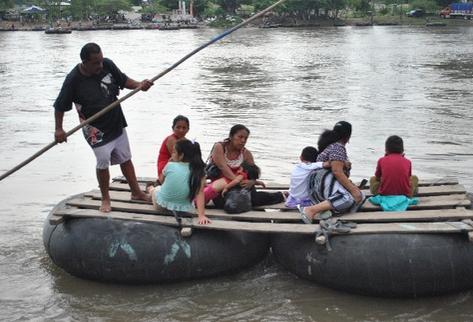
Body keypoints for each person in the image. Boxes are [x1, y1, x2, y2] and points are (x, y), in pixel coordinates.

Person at [53, 42, 154, 213]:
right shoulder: (73, 79)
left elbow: (123, 80)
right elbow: (60, 106)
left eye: (100, 60)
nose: (100, 65)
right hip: (95, 129)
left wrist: (139, 85)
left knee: (125, 157)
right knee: (103, 162)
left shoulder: (107, 64)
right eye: (95, 63)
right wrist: (59, 129)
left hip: (115, 120)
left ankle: (136, 192)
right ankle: (105, 198)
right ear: (84, 62)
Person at [298, 121, 365, 223]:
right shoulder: (338, 147)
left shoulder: (327, 145)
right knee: (347, 198)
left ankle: (327, 210)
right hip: (323, 181)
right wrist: (353, 189)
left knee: (361, 196)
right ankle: (311, 210)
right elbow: (337, 171)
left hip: (315, 188)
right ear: (348, 137)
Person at [208, 124, 285, 208]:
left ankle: (281, 195)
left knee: (253, 199)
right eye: (240, 137)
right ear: (231, 136)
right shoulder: (219, 147)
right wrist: (237, 181)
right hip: (221, 187)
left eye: (245, 138)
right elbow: (223, 167)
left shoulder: (246, 154)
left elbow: (253, 172)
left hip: (241, 186)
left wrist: (251, 182)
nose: (243, 140)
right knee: (222, 203)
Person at [148, 139, 210, 225]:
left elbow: (161, 181)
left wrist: (169, 164)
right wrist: (201, 215)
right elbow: (200, 193)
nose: (172, 154)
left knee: (156, 189)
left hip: (161, 206)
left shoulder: (170, 165)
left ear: (181, 155)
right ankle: (152, 189)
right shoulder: (199, 172)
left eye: (174, 152)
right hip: (184, 209)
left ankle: (150, 189)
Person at [368, 135, 419, 211]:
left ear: (386, 150)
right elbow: (408, 178)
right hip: (405, 194)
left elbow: (377, 177)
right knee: (414, 178)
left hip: (384, 194)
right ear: (402, 150)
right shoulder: (408, 162)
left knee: (372, 179)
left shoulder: (381, 160)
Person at [157, 115, 190, 180]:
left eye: (184, 128)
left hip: (178, 166)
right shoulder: (171, 139)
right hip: (166, 167)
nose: (181, 130)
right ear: (173, 128)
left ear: (188, 129)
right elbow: (177, 159)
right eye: (178, 127)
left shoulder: (186, 141)